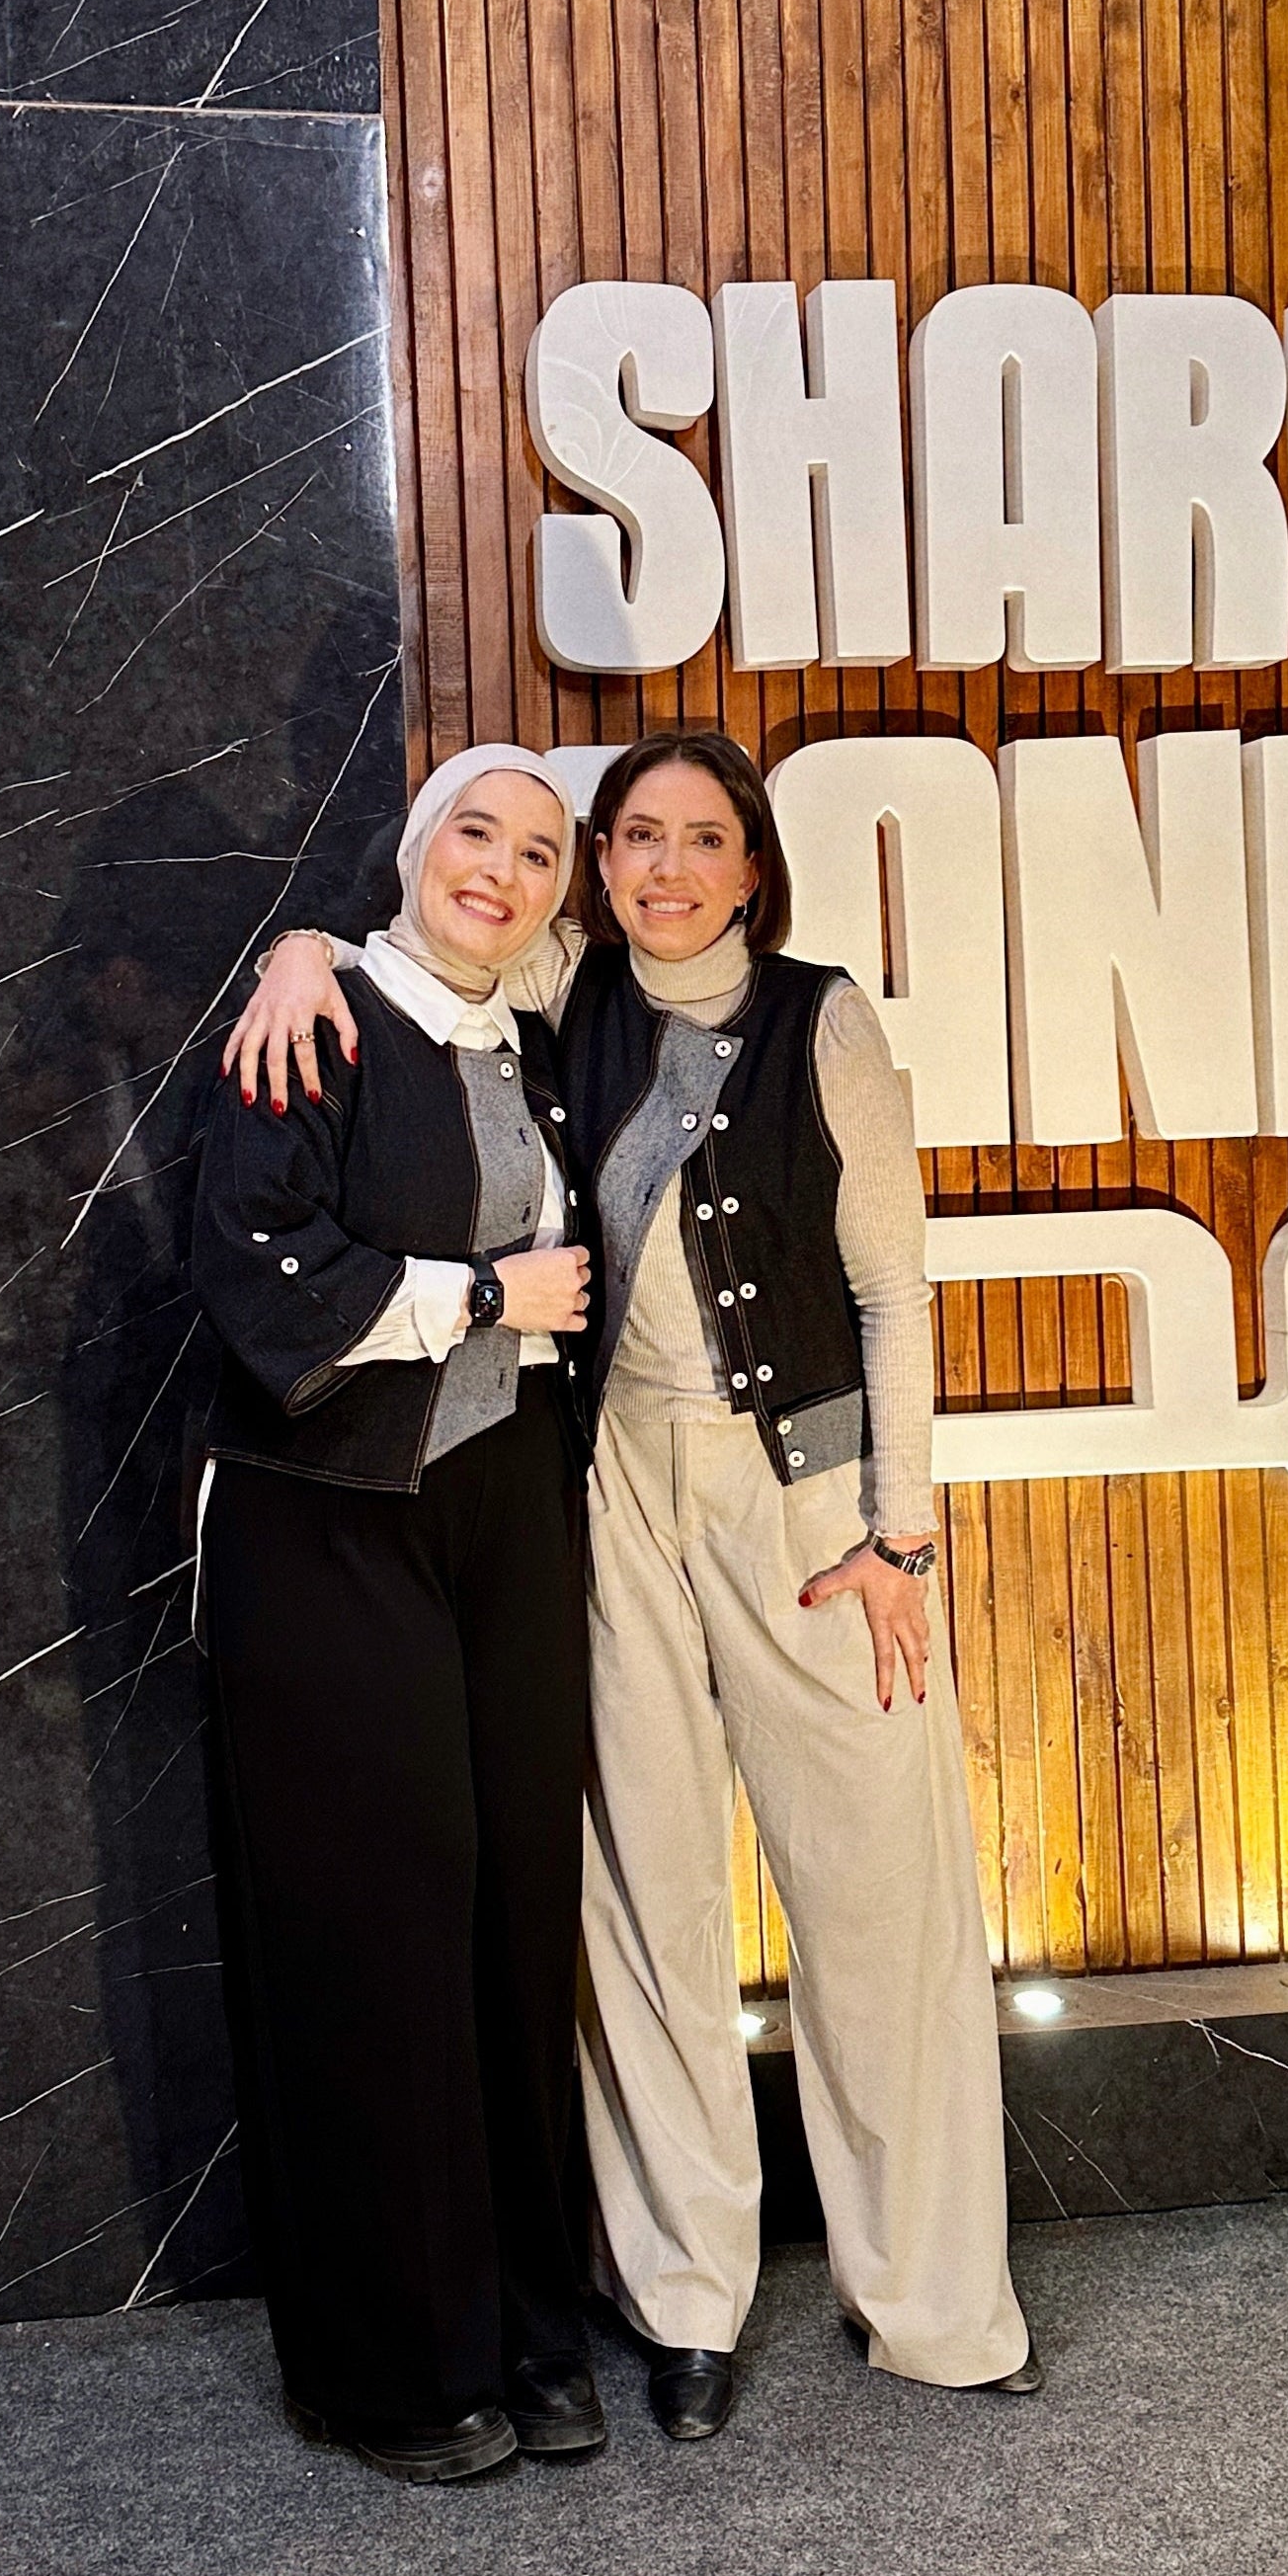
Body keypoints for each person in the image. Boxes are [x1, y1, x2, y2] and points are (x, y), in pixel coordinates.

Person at [227, 729, 1032, 2445]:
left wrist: (901, 1533)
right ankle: (683, 2304)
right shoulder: (559, 986)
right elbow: (421, 942)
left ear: (754, 868)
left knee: (878, 1900)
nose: (666, 868)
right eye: (637, 838)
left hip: (809, 1503)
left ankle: (938, 2302)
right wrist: (297, 951)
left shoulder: (824, 1020)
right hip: (604, 1492)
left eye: (705, 839)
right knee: (644, 1909)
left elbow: (893, 1295)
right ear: (600, 869)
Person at [191, 743, 604, 2484]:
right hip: (331, 1520)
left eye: (539, 852)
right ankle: (391, 2370)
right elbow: (255, 1266)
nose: (499, 870)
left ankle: (528, 2325)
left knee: (516, 1914)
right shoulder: (320, 1020)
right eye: (473, 835)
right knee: (378, 1936)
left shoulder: (539, 1033)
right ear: (417, 849)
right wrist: (486, 1295)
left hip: (508, 1515)